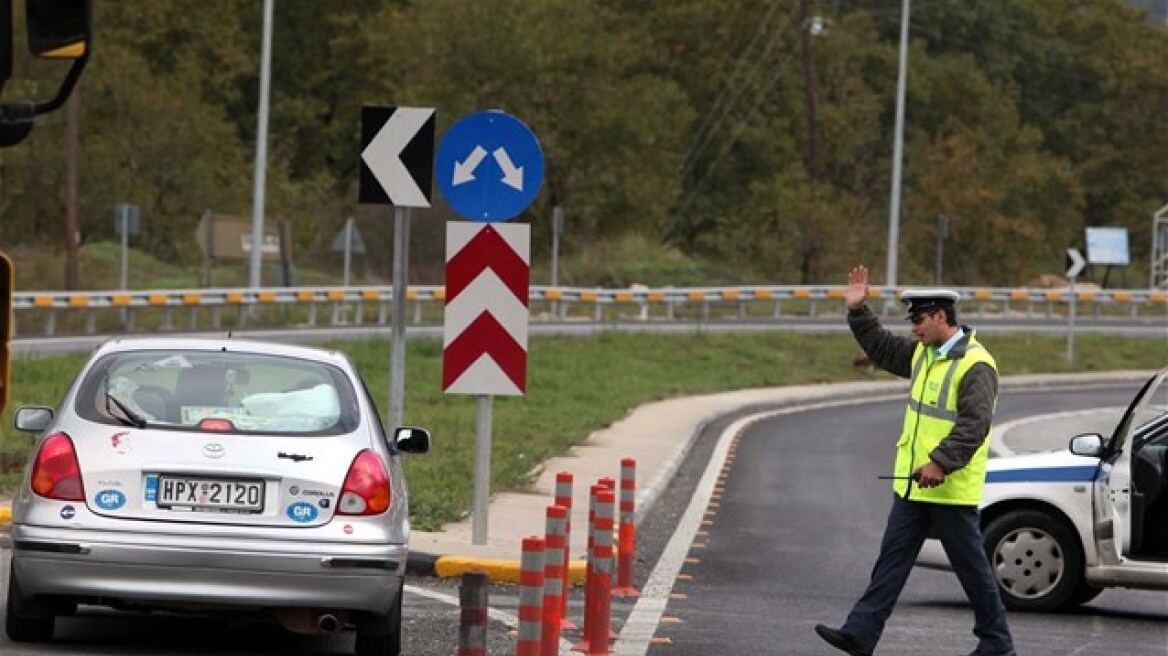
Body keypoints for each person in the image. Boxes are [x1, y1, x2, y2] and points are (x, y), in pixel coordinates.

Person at [814, 264, 1016, 656]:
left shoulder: (975, 365)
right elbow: (883, 348)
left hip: (949, 490)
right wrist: (859, 311)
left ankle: (998, 645)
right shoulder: (925, 354)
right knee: (890, 565)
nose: (914, 328)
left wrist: (940, 463)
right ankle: (860, 634)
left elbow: (975, 425)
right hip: (913, 485)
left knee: (973, 572)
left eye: (919, 319)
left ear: (942, 317)